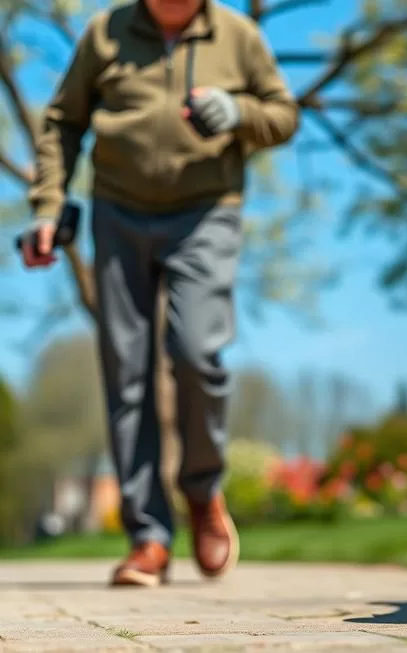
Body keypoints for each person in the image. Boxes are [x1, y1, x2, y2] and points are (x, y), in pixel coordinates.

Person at [22, 0, 299, 587]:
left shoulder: (238, 35)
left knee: (197, 353)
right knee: (126, 372)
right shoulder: (106, 33)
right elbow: (63, 122)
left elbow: (283, 116)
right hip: (118, 214)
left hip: (206, 213)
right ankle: (147, 536)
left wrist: (239, 111)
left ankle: (201, 493)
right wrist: (48, 206)